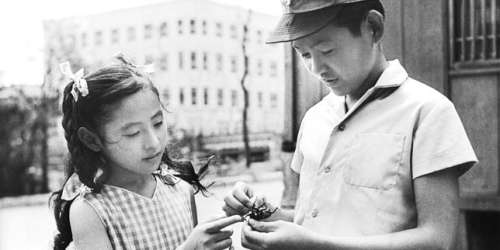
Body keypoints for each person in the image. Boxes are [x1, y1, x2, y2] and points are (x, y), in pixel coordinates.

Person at [222, 0, 478, 249]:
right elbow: (312, 223)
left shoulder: (427, 111)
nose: (316, 68)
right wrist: (267, 215)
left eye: (327, 50)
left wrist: (316, 246)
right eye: (304, 54)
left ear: (373, 28)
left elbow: (437, 240)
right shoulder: (314, 118)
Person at [49, 55, 241, 250]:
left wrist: (230, 218)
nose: (153, 141)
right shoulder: (90, 211)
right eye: (133, 133)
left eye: (157, 123)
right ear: (92, 140)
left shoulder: (181, 190)